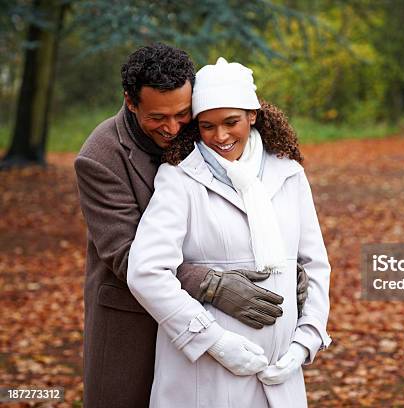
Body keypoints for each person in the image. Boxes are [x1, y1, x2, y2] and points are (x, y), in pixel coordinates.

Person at [75, 44, 306, 408]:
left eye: (182, 114)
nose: (171, 128)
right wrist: (211, 283)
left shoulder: (205, 129)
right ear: (131, 102)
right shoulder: (99, 158)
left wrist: (282, 266)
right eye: (157, 118)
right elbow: (126, 257)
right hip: (133, 321)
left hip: (207, 323)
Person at [127, 57, 332, 407]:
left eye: (231, 122)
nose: (220, 136)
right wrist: (214, 342)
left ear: (253, 115)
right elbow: (146, 272)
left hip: (280, 376)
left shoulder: (288, 174)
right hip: (205, 379)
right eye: (207, 126)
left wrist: (304, 343)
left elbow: (314, 265)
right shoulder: (180, 179)